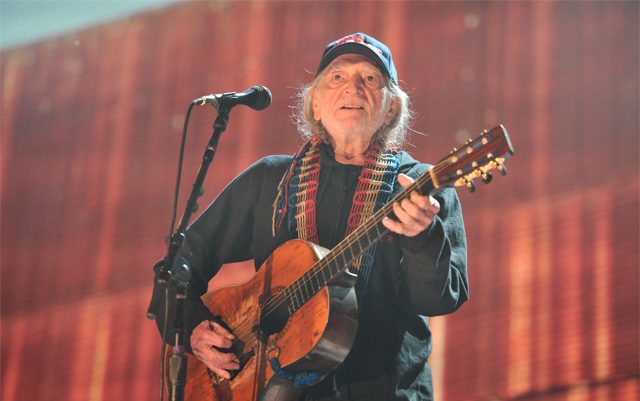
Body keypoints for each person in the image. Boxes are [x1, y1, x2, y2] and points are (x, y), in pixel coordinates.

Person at [149, 32, 468, 401]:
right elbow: (179, 264)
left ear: (391, 109)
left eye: (369, 78)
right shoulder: (270, 179)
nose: (352, 88)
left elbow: (440, 299)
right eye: (337, 77)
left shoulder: (417, 187)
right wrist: (191, 326)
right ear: (315, 104)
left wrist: (423, 238)